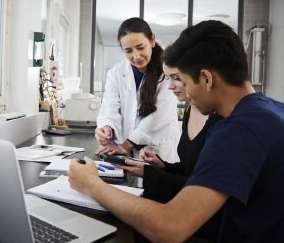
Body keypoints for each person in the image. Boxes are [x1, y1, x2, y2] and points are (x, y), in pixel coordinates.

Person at [68, 20, 284, 242]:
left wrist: (91, 184)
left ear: (206, 79)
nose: (180, 91)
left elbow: (169, 228)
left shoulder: (239, 130)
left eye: (183, 81)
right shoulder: (269, 111)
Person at [118, 62, 223, 242]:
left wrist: (150, 174)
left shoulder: (222, 123)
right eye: (168, 78)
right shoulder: (190, 109)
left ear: (203, 77)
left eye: (177, 78)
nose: (169, 86)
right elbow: (192, 169)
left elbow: (202, 189)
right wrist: (163, 166)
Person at [95, 17, 180, 164]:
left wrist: (125, 146)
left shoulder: (167, 72)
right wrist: (106, 128)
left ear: (152, 40)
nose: (136, 56)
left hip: (158, 151)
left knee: (155, 185)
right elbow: (110, 107)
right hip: (125, 151)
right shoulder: (116, 73)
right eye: (128, 51)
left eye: (141, 47)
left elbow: (158, 117)